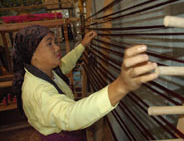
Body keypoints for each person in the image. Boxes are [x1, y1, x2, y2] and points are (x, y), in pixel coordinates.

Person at [12, 25, 158, 141]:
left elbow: (65, 64)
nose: (57, 47)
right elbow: (69, 115)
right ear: (32, 55)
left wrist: (82, 45)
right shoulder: (38, 91)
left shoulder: (47, 70)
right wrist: (120, 86)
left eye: (54, 42)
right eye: (49, 44)